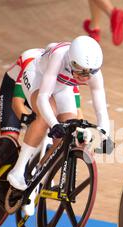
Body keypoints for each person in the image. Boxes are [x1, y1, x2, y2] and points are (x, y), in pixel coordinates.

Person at [7, 35, 113, 191]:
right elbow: (43, 98)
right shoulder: (59, 56)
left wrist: (103, 135)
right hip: (37, 76)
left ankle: (39, 172)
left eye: (89, 73)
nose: (84, 77)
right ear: (71, 62)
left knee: (69, 132)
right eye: (80, 72)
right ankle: (18, 169)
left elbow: (101, 110)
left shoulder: (94, 73)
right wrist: (54, 123)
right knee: (45, 116)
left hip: (63, 87)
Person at [0, 44, 83, 141]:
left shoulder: (68, 78)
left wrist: (79, 133)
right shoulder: (32, 68)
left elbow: (77, 111)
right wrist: (31, 125)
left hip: (40, 95)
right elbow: (17, 102)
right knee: (10, 138)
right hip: (13, 88)